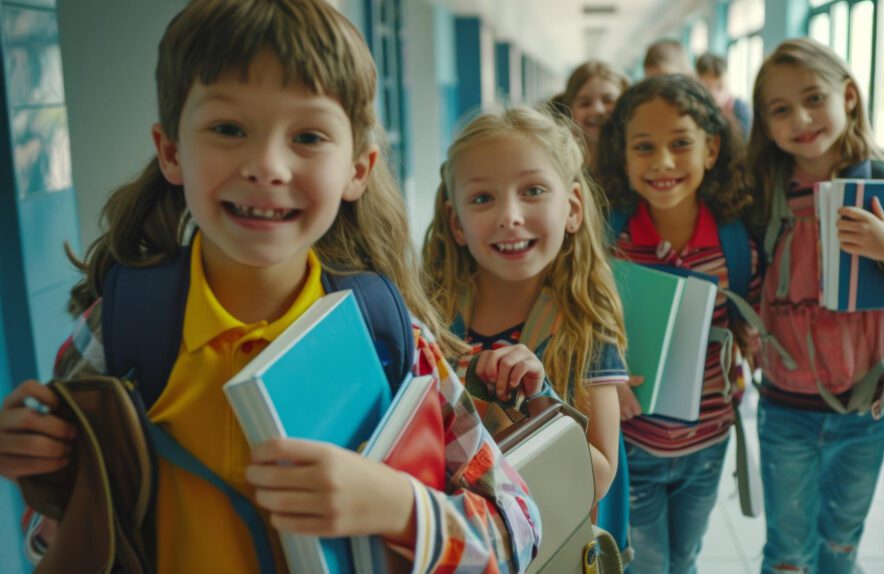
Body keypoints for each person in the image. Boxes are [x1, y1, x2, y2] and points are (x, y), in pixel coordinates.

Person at [0, 1, 541, 572]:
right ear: (171, 151)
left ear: (357, 169)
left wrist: (397, 507)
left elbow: (519, 526)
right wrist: (53, 482)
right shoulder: (119, 328)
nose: (267, 165)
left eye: (307, 135)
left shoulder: (388, 338)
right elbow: (48, 541)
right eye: (228, 129)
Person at [747, 38, 884, 573]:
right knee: (786, 554)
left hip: (867, 409)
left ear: (848, 96)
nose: (800, 118)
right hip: (785, 410)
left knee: (841, 545)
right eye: (780, 110)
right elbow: (742, 287)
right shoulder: (761, 199)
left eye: (813, 97)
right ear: (766, 124)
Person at [421, 105, 630, 529]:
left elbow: (600, 475)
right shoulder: (435, 318)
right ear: (455, 223)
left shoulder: (583, 325)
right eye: (482, 198)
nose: (509, 216)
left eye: (532, 191)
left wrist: (539, 400)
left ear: (572, 208)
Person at [594, 74, 760, 573]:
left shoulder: (735, 244)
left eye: (680, 144)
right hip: (633, 443)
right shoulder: (608, 243)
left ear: (711, 150)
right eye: (644, 147)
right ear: (623, 156)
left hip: (709, 442)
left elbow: (747, 323)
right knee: (646, 565)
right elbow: (582, 324)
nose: (663, 161)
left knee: (684, 558)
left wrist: (754, 344)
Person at [562, 61, 630, 166]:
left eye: (608, 100)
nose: (598, 110)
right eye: (585, 103)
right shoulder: (558, 161)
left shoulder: (636, 160)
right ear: (569, 110)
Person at [695, 52, 752, 138]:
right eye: (707, 87)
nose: (714, 94)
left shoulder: (740, 109)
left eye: (719, 86)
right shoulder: (694, 109)